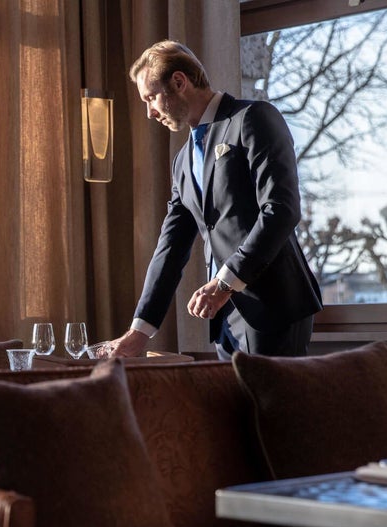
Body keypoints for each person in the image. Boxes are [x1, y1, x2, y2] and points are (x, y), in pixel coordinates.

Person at [108, 40, 322, 360]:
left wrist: (223, 284)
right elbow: (171, 247)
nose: (149, 112)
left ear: (179, 82)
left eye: (151, 97)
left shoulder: (253, 118)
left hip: (273, 310)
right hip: (224, 321)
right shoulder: (182, 161)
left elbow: (281, 209)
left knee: (272, 412)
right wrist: (140, 330)